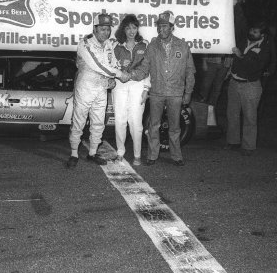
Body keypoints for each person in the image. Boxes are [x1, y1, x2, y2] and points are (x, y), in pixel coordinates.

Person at [67, 13, 130, 168]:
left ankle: (92, 153)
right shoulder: (85, 43)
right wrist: (119, 75)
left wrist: (112, 80)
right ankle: (74, 153)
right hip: (85, 88)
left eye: (108, 29)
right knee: (79, 121)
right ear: (94, 29)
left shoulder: (109, 44)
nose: (106, 33)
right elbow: (98, 66)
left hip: (101, 89)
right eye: (102, 29)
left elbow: (113, 64)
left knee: (98, 123)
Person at [144, 11, 195, 166]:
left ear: (172, 27)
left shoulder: (183, 46)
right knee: (154, 125)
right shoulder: (152, 46)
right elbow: (144, 67)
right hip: (157, 91)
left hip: (175, 92)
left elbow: (190, 71)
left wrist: (188, 92)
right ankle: (152, 155)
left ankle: (176, 156)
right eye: (159, 26)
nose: (161, 29)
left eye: (165, 26)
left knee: (175, 127)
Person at [224, 22, 271, 156]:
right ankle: (233, 142)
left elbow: (255, 66)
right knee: (232, 113)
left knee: (249, 116)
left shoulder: (265, 49)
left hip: (250, 85)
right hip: (234, 82)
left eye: (255, 32)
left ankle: (248, 146)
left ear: (262, 35)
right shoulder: (243, 41)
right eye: (251, 30)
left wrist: (240, 55)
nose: (252, 33)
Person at [112, 14, 150, 166]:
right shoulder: (116, 45)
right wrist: (120, 72)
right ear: (123, 29)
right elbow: (111, 66)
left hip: (138, 85)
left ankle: (137, 154)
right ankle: (120, 151)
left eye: (134, 28)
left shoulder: (144, 45)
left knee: (136, 122)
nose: (131, 31)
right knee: (120, 120)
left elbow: (148, 68)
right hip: (120, 85)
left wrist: (146, 88)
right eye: (128, 28)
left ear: (137, 29)